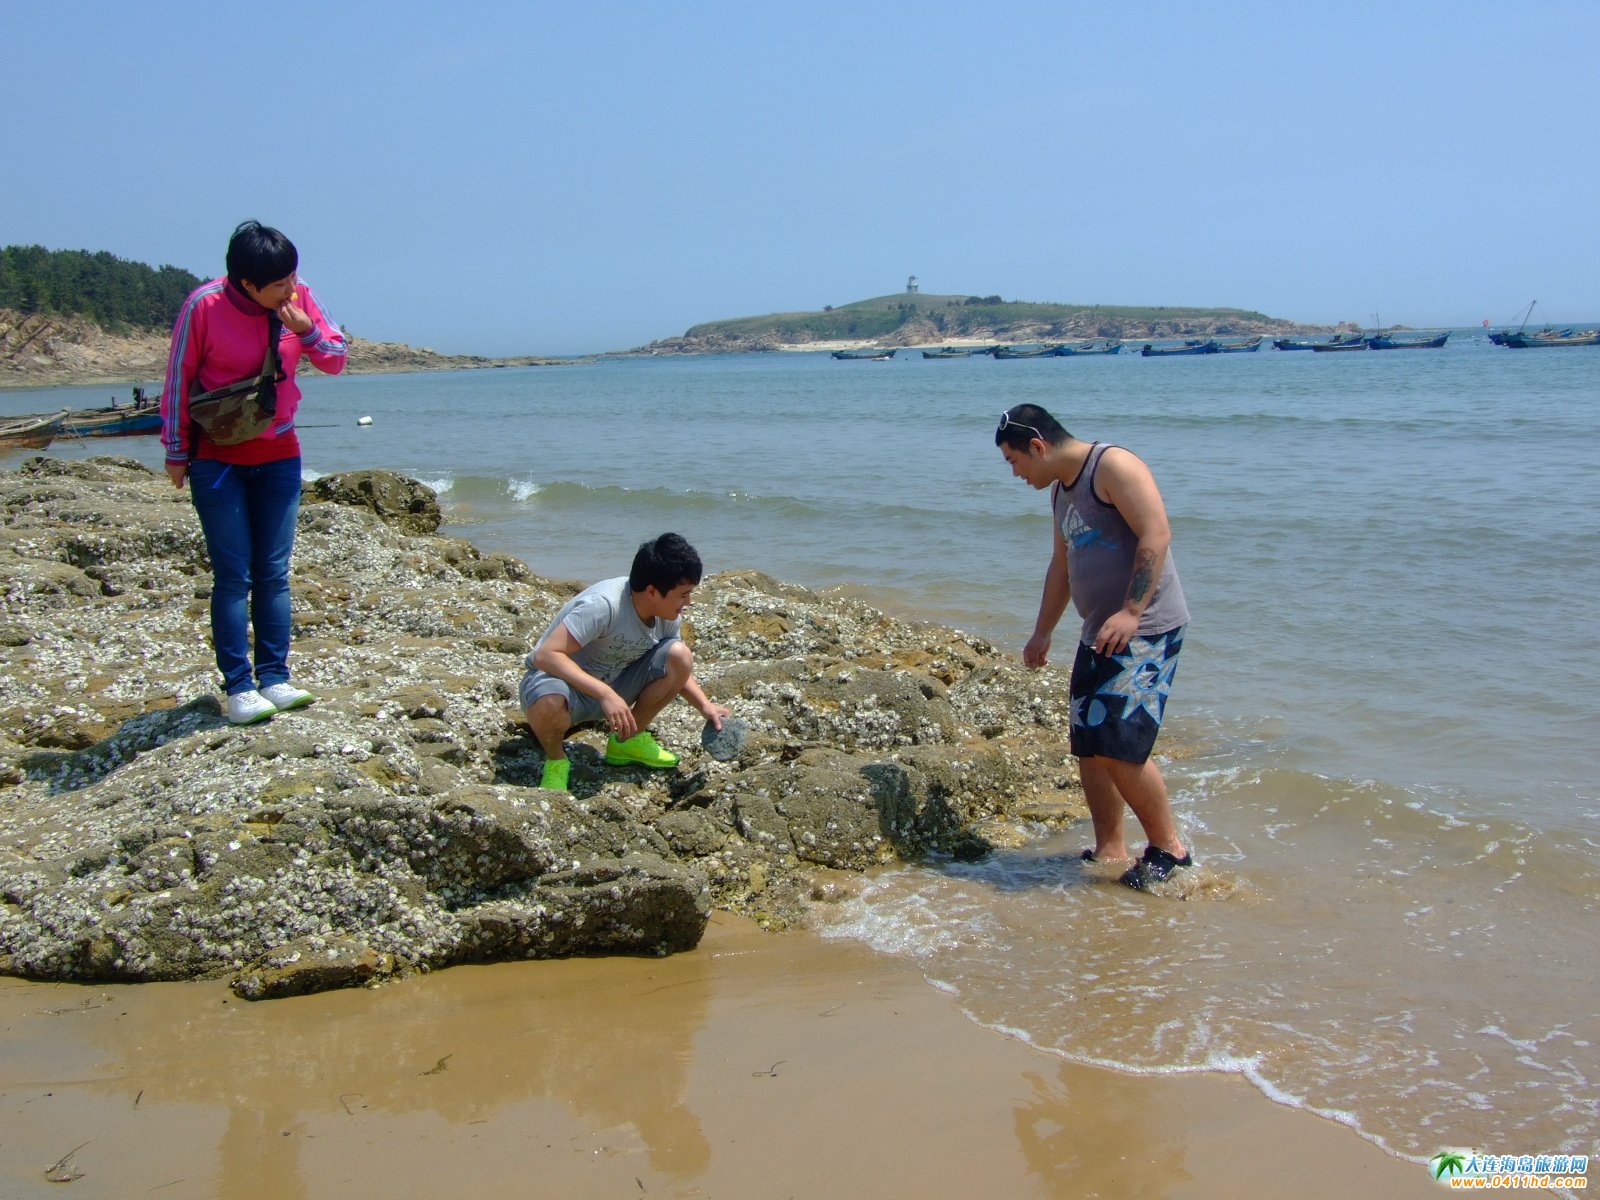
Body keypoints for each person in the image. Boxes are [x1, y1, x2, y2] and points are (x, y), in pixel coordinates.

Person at [996, 404, 1194, 889]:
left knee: (1120, 746)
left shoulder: (1113, 467)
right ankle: (1110, 849)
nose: (1016, 473)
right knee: (1089, 745)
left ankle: (1171, 849)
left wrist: (1131, 612)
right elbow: (1061, 566)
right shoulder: (1061, 492)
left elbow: (1156, 533)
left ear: (1038, 446)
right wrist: (1042, 631)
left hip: (1144, 630)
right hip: (1098, 633)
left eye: (1014, 461)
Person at [160, 220, 347, 725]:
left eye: (294, 277)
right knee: (233, 574)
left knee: (273, 573)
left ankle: (275, 678)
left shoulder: (299, 297)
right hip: (216, 457)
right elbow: (178, 378)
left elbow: (335, 360)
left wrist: (305, 328)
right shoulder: (205, 307)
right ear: (247, 285)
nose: (292, 288)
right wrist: (176, 452)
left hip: (279, 455)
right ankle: (239, 687)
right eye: (280, 283)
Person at [520, 533, 729, 792]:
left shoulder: (667, 615)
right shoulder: (604, 605)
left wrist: (705, 706)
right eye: (683, 595)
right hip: (564, 687)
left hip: (614, 689)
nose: (689, 602)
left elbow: (678, 668)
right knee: (548, 702)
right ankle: (556, 762)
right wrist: (604, 693)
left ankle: (625, 741)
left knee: (680, 655)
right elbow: (546, 655)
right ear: (652, 591)